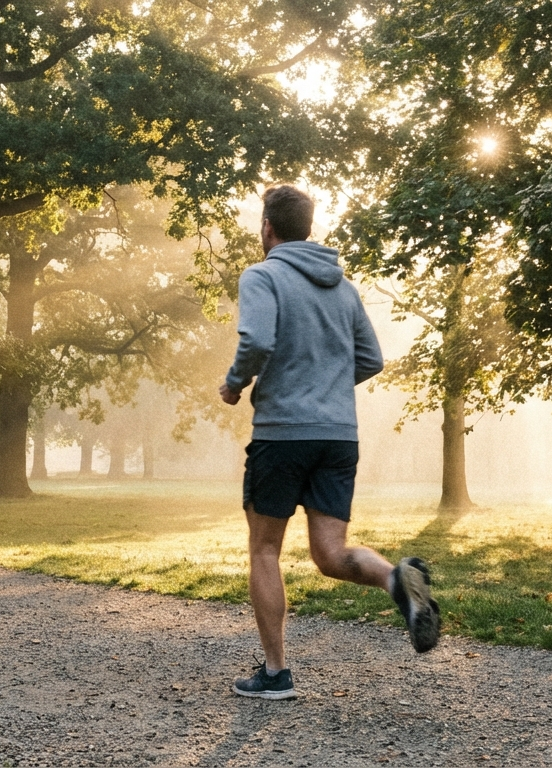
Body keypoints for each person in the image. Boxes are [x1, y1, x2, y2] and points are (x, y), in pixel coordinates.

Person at [219, 185, 441, 701]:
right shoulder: (344, 288)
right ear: (308, 226)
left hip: (282, 434)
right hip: (339, 436)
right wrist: (327, 386)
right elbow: (371, 359)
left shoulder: (262, 274)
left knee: (265, 548)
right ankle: (396, 580)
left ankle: (275, 673)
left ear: (268, 229)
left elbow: (255, 340)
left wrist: (235, 383)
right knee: (330, 551)